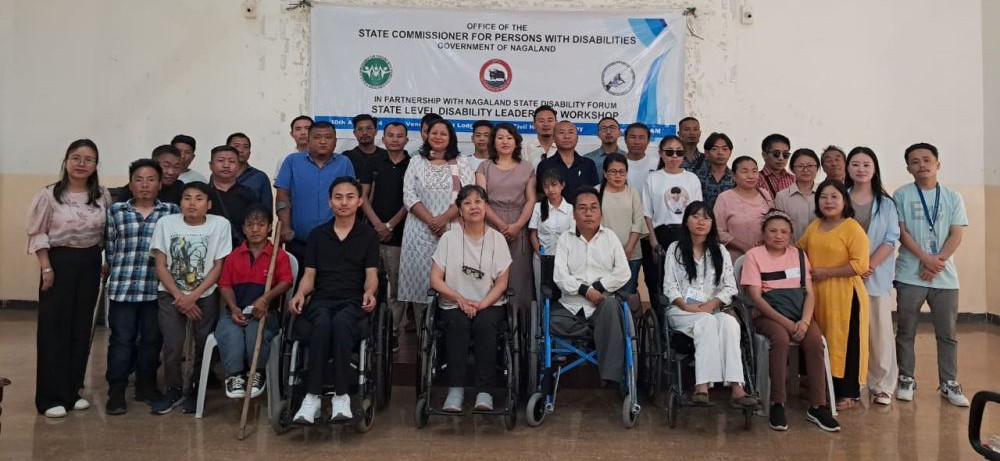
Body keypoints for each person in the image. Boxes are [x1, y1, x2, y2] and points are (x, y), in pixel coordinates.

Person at [26, 139, 111, 418]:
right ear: (66, 161)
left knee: (80, 328)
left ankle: (72, 392)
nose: (81, 163)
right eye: (76, 157)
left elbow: (106, 233)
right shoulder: (49, 195)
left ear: (96, 165)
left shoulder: (101, 195)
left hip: (89, 263)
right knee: (54, 330)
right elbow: (37, 233)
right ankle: (49, 397)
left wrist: (104, 261)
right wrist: (46, 268)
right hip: (58, 263)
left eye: (88, 159)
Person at [741, 211, 841, 432]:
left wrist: (805, 322)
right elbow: (756, 298)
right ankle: (778, 402)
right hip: (769, 315)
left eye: (784, 232)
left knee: (815, 341)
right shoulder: (754, 255)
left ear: (791, 235)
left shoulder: (799, 255)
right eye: (773, 231)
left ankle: (818, 405)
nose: (778, 236)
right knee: (780, 339)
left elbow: (810, 294)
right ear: (763, 233)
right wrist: (786, 324)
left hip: (800, 314)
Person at [290, 177, 379, 423]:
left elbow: (371, 275)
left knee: (341, 323)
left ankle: (342, 396)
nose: (344, 202)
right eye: (338, 197)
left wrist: (369, 293)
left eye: (350, 197)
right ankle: (313, 397)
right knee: (321, 323)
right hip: (322, 298)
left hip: (353, 299)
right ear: (330, 202)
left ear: (360, 201)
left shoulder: (368, 236)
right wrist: (300, 293)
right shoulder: (318, 235)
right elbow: (309, 275)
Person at [893, 143, 969, 407]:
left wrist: (937, 262)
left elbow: (956, 233)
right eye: (915, 161)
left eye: (927, 160)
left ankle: (949, 382)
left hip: (945, 277)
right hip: (909, 275)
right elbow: (902, 232)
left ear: (938, 164)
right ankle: (906, 378)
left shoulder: (952, 197)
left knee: (947, 333)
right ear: (908, 168)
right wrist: (925, 259)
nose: (922, 165)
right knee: (906, 330)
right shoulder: (901, 195)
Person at [662, 201, 757, 408]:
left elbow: (730, 287)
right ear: (686, 221)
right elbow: (669, 286)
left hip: (712, 309)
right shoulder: (675, 249)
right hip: (681, 310)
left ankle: (737, 387)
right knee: (706, 322)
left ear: (712, 223)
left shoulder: (720, 251)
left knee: (731, 324)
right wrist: (686, 306)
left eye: (706, 217)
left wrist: (711, 304)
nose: (701, 222)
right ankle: (702, 386)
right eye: (695, 216)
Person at [104, 159, 179, 415]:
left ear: (160, 184)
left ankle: (145, 385)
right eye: (139, 179)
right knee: (121, 340)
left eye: (151, 180)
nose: (145, 185)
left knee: (151, 339)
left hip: (157, 288)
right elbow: (111, 249)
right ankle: (116, 389)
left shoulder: (171, 212)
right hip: (123, 287)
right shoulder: (116, 212)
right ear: (131, 183)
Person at [150, 181, 232, 414]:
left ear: (209, 204)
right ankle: (173, 389)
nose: (192, 203)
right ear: (180, 203)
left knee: (203, 342)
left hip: (205, 293)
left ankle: (198, 387)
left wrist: (194, 296)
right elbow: (160, 264)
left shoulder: (220, 225)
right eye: (187, 198)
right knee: (173, 344)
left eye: (198, 198)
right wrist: (180, 297)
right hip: (170, 294)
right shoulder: (166, 223)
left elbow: (219, 265)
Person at [431, 185, 512, 412]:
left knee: (486, 326)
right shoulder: (449, 238)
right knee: (457, 324)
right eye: (467, 203)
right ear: (459, 210)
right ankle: (455, 389)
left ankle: (484, 391)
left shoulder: (497, 239)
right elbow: (436, 280)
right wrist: (460, 299)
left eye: (478, 201)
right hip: (454, 302)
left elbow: (502, 283)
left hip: (490, 303)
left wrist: (481, 304)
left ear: (486, 206)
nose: (473, 207)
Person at [797, 179, 870, 410]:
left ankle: (848, 394)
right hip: (818, 295)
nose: (828, 201)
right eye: (823, 197)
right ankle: (826, 387)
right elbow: (799, 250)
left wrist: (826, 272)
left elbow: (860, 265)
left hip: (845, 295)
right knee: (825, 341)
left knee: (846, 343)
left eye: (834, 196)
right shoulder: (815, 226)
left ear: (844, 201)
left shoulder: (851, 227)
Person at [397, 119, 475, 328]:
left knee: (451, 281)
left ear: (451, 139)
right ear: (427, 136)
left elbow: (468, 195)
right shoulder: (416, 162)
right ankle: (423, 332)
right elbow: (408, 195)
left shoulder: (461, 162)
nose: (438, 137)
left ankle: (449, 328)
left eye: (443, 134)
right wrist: (431, 220)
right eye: (434, 133)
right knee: (421, 283)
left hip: (452, 229)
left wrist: (443, 219)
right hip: (418, 231)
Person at [552, 187, 631, 384]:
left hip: (603, 306)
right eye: (583, 208)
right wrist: (586, 291)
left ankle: (612, 378)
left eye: (593, 208)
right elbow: (559, 275)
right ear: (574, 213)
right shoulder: (564, 239)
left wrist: (598, 288)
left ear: (600, 213)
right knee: (548, 320)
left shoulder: (610, 238)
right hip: (571, 308)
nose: (588, 213)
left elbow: (624, 272)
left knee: (613, 307)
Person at [216, 205, 293, 399]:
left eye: (260, 224)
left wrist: (265, 298)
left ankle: (256, 372)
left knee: (254, 331)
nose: (255, 229)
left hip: (266, 312)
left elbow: (286, 281)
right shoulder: (234, 256)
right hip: (235, 309)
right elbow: (225, 285)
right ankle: (234, 376)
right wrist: (233, 308)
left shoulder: (278, 255)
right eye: (250, 225)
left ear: (269, 227)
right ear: (243, 228)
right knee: (229, 331)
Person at [844, 147, 899, 406]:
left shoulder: (886, 203)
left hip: (875, 276)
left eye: (866, 164)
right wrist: (853, 267)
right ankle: (854, 382)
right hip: (845, 276)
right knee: (851, 331)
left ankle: (882, 385)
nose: (861, 169)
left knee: (879, 332)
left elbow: (890, 240)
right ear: (848, 169)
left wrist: (869, 266)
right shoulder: (839, 198)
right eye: (855, 164)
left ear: (874, 169)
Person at [476, 123, 536, 317]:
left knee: (519, 278)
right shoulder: (484, 166)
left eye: (509, 137)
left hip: (519, 225)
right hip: (490, 224)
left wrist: (518, 225)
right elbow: (480, 201)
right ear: (494, 141)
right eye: (500, 137)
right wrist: (501, 225)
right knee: (489, 276)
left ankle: (520, 328)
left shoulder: (527, 167)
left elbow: (531, 199)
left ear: (516, 141)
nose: (505, 141)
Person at [275, 121, 356, 263]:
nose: (323, 142)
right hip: (299, 241)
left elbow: (351, 199)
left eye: (328, 137)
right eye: (317, 137)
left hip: (337, 242)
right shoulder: (292, 161)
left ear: (335, 141)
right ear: (308, 140)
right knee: (300, 283)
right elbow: (282, 195)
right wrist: (285, 226)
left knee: (332, 284)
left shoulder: (344, 163)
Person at [360, 121, 411, 341]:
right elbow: (362, 196)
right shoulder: (373, 161)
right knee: (369, 284)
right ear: (383, 139)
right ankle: (368, 332)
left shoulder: (413, 164)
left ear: (407, 140)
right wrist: (378, 225)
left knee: (397, 288)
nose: (395, 139)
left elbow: (412, 200)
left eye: (400, 136)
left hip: (400, 236)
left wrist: (390, 225)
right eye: (390, 135)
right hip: (372, 235)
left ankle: (392, 333)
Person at [642, 135, 702, 309]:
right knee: (660, 281)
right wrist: (653, 241)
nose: (674, 156)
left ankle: (689, 315)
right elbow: (647, 213)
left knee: (689, 278)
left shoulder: (692, 178)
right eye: (669, 152)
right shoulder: (653, 178)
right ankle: (662, 325)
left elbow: (698, 211)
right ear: (661, 154)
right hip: (662, 234)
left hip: (687, 234)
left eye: (679, 152)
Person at [598, 154, 648, 308]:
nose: (618, 175)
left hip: (631, 254)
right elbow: (593, 224)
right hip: (602, 254)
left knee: (627, 294)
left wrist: (628, 249)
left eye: (622, 171)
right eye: (613, 171)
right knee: (604, 295)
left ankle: (628, 329)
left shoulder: (632, 192)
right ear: (605, 173)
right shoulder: (596, 192)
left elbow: (638, 221)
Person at [529, 169, 575, 305]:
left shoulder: (571, 209)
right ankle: (540, 324)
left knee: (562, 294)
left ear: (562, 185)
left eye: (554, 185)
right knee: (541, 293)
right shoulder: (538, 207)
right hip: (541, 258)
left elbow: (572, 235)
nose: (550, 189)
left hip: (563, 260)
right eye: (546, 186)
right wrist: (540, 254)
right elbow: (533, 234)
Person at [714, 156, 772, 261]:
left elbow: (775, 221)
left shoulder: (764, 194)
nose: (751, 176)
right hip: (737, 259)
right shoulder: (724, 198)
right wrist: (743, 247)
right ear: (734, 175)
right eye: (744, 172)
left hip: (765, 256)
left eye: (754, 171)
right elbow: (717, 231)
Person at [535, 120, 599, 202]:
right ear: (553, 138)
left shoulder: (588, 164)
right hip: (554, 213)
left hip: (582, 213)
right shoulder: (544, 165)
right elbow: (540, 194)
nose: (566, 136)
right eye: (561, 133)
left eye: (571, 132)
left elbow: (594, 193)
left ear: (577, 137)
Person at [207, 145, 257, 246]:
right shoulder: (203, 194)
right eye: (221, 161)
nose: (226, 165)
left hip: (240, 251)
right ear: (211, 165)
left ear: (238, 166)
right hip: (209, 247)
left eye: (232, 161)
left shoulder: (249, 194)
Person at [111, 145, 185, 205]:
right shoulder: (134, 189)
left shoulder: (180, 188)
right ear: (154, 165)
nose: (171, 172)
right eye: (165, 166)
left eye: (176, 167)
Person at [774, 148, 820, 242]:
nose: (805, 170)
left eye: (810, 165)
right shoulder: (782, 197)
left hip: (822, 250)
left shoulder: (825, 194)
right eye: (800, 166)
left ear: (817, 168)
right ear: (792, 169)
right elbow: (779, 227)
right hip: (792, 251)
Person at [227, 132, 273, 213]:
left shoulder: (260, 177)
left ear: (250, 152)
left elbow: (267, 208)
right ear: (227, 149)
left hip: (251, 224)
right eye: (236, 146)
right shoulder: (219, 175)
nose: (241, 150)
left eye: (245, 147)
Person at [343, 114, 388, 186]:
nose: (365, 133)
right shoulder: (346, 158)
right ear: (354, 133)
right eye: (360, 129)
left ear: (376, 131)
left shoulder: (386, 156)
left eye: (369, 128)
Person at [694, 132, 736, 208]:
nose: (720, 153)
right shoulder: (696, 177)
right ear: (706, 153)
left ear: (730, 153)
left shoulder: (736, 178)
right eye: (714, 149)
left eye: (725, 149)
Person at [622, 123, 659, 191]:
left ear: (648, 141)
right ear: (625, 140)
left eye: (641, 137)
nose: (637, 142)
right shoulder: (617, 163)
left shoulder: (656, 162)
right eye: (633, 137)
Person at [758, 134, 795, 198]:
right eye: (776, 154)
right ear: (764, 155)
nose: (781, 158)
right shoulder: (755, 179)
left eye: (785, 154)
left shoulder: (794, 180)